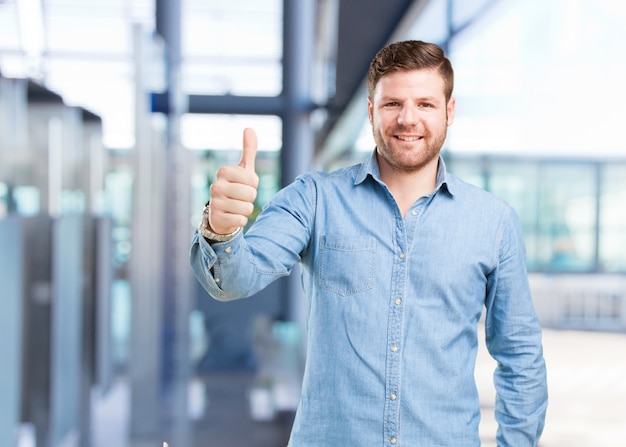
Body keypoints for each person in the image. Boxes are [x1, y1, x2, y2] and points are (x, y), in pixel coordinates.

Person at [190, 39, 548, 446]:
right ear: (371, 110)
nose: (407, 119)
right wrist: (221, 228)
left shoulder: (493, 222)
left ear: (449, 111)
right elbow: (236, 279)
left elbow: (520, 357)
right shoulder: (315, 198)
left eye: (425, 105)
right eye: (393, 103)